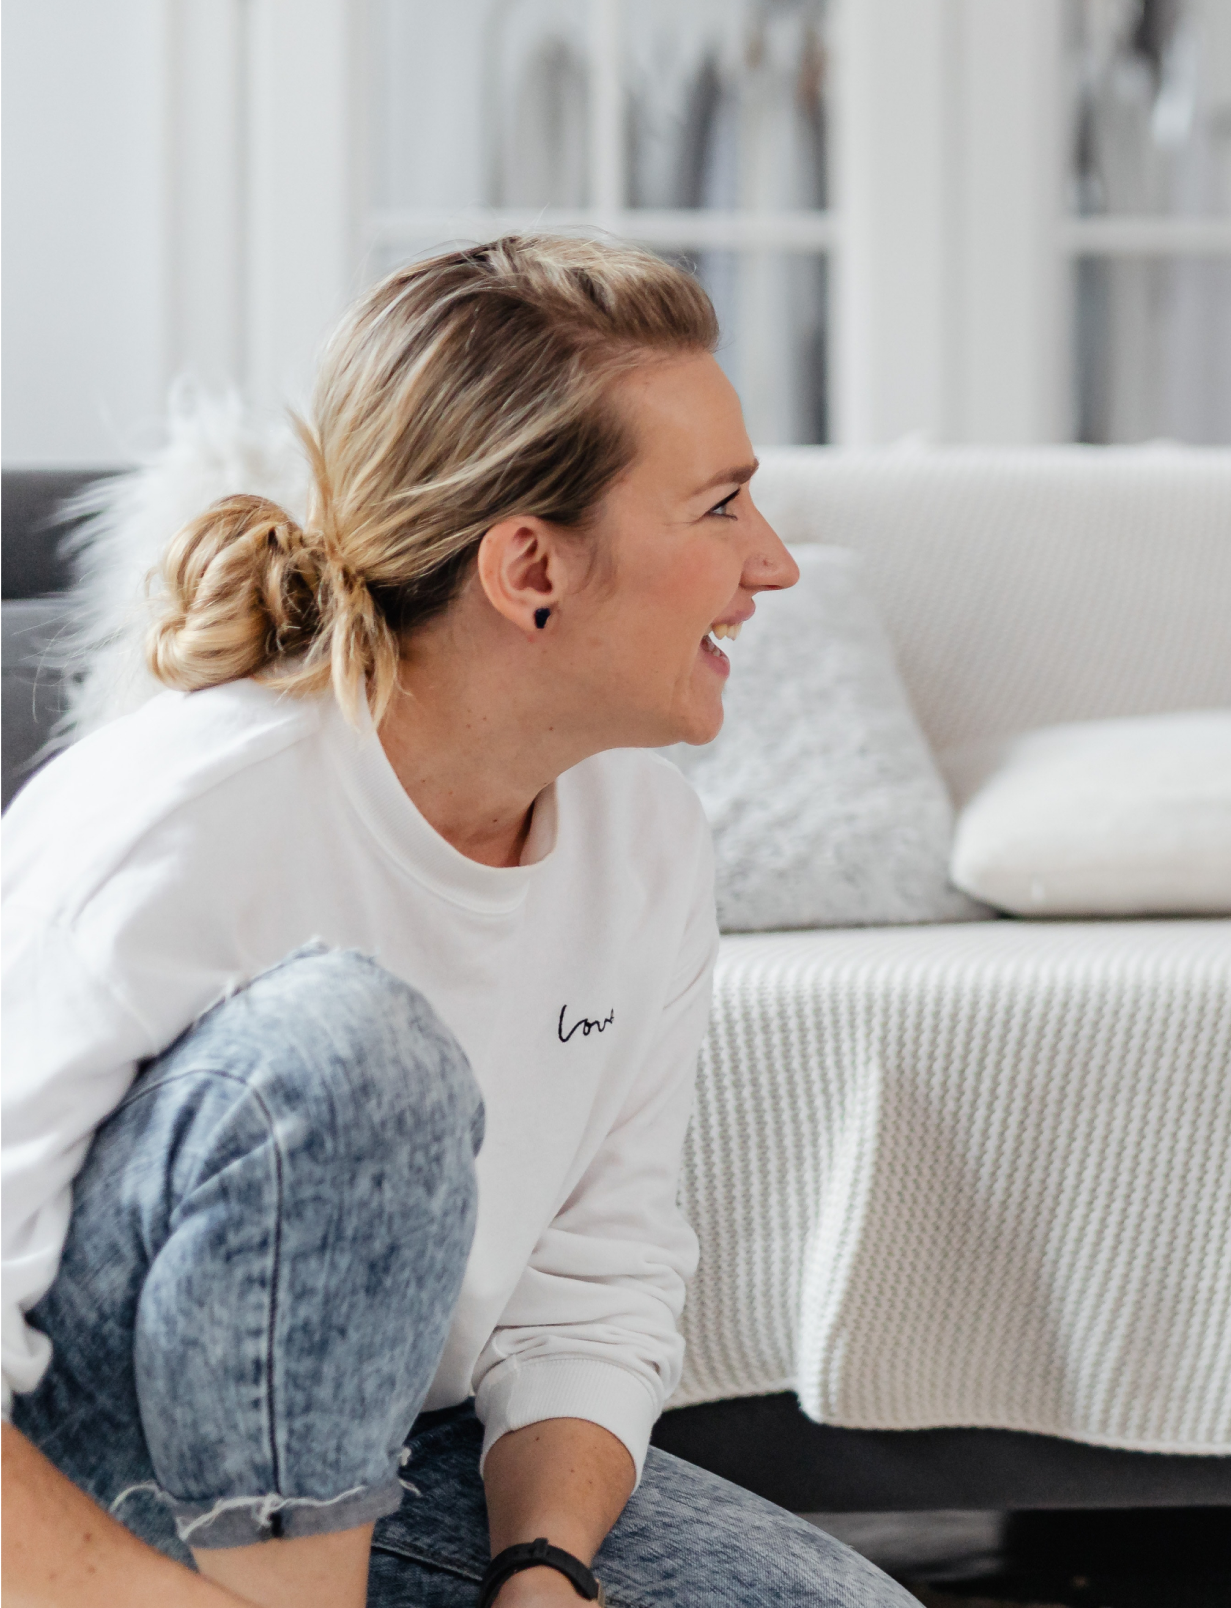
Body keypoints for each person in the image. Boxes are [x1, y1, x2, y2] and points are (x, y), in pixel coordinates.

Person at [0, 239, 909, 1605]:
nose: (772, 564)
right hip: (74, 1476)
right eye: (720, 509)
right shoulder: (179, 815)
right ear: (530, 565)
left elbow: (594, 1284)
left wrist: (541, 1572)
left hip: (392, 1458)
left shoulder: (645, 839)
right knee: (356, 1047)